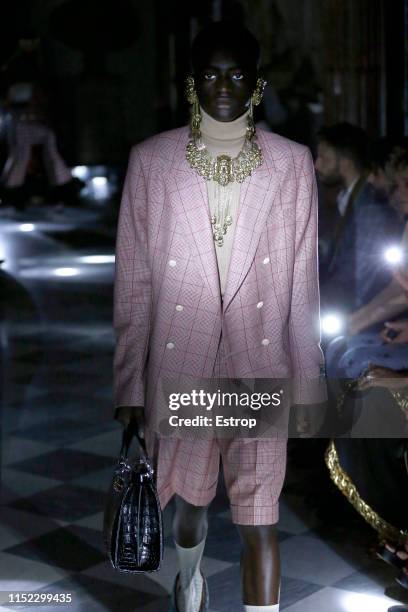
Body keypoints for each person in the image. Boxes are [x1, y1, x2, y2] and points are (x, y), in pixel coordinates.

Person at [113, 21, 325, 612]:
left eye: (236, 74)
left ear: (256, 84)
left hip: (260, 365)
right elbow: (135, 282)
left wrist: (309, 385)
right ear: (192, 83)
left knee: (261, 519)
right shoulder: (152, 162)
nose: (223, 86)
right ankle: (190, 578)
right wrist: (130, 383)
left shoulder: (291, 164)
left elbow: (302, 285)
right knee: (191, 508)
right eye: (209, 74)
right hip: (185, 364)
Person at [315, 123, 400, 312]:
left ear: (345, 160)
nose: (317, 164)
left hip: (355, 313)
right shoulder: (346, 197)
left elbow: (363, 277)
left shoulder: (369, 206)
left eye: (324, 157)